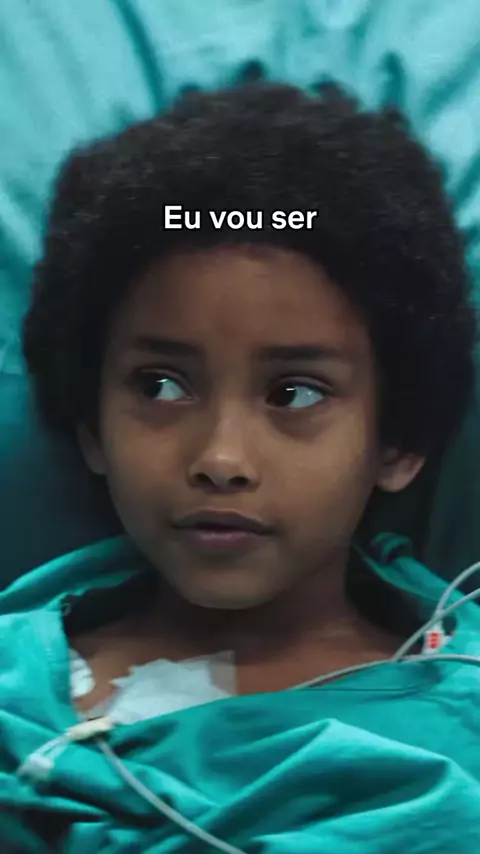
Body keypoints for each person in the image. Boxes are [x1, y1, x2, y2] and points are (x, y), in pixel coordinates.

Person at [1, 82, 479, 852]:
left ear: (397, 442)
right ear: (91, 427)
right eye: (161, 386)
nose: (221, 459)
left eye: (295, 393)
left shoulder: (458, 727)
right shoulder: (15, 688)